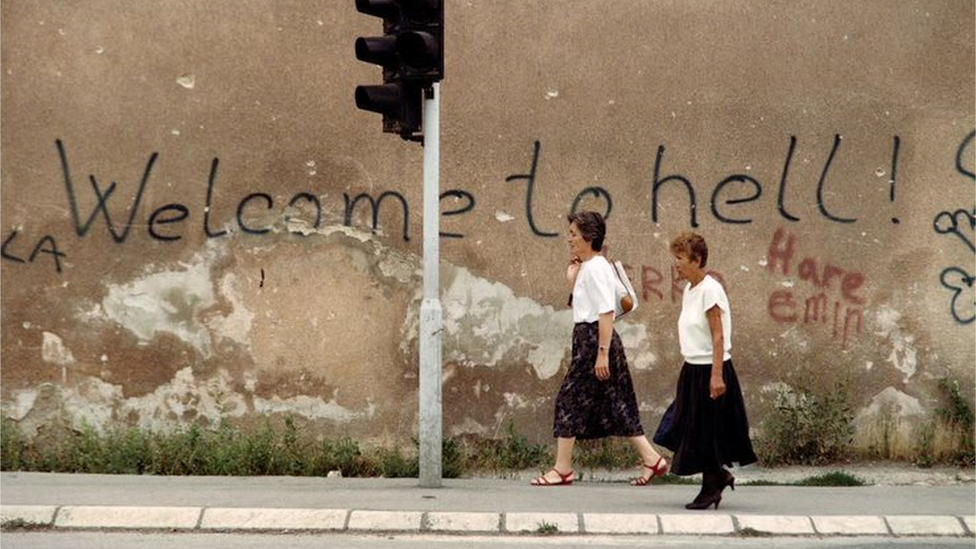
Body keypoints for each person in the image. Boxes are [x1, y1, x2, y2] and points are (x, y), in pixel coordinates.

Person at [531, 211, 669, 487]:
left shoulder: (595, 267)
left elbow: (606, 311)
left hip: (595, 339)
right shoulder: (589, 267)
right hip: (590, 337)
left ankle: (562, 469)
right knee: (617, 402)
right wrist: (572, 278)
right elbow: (585, 306)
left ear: (589, 237)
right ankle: (653, 460)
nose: (569, 239)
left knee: (568, 400)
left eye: (573, 234)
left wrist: (602, 353)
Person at [654, 231, 757, 509]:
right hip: (692, 369)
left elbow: (718, 336)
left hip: (710, 370)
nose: (676, 264)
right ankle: (718, 477)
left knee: (706, 431)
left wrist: (716, 375)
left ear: (697, 260)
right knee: (691, 427)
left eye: (680, 258)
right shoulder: (691, 289)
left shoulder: (711, 289)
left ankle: (712, 486)